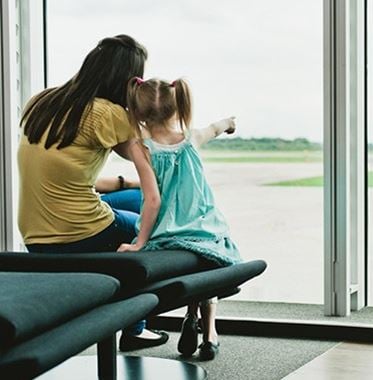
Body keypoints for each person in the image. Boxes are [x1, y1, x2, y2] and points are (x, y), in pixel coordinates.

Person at [17, 34, 168, 351]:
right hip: (77, 232)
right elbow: (156, 156)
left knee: (134, 200)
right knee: (150, 223)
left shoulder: (42, 101)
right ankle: (134, 327)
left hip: (35, 235)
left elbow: (64, 174)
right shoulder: (107, 115)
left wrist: (126, 185)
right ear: (129, 80)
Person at [118, 76, 242, 360]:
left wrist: (139, 242)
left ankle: (190, 317)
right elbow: (217, 127)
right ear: (177, 107)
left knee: (193, 267)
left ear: (138, 112)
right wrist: (230, 123)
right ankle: (208, 332)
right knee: (206, 268)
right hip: (205, 230)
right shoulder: (192, 138)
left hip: (168, 235)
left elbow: (152, 200)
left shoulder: (141, 147)